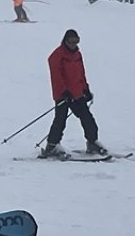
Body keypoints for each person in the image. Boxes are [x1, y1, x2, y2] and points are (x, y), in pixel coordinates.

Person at [42, 29, 103, 158]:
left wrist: (85, 89)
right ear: (65, 40)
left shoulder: (77, 55)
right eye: (71, 41)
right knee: (60, 120)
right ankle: (52, 146)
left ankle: (93, 142)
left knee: (87, 118)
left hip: (77, 93)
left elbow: (81, 73)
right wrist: (63, 91)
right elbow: (56, 76)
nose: (73, 44)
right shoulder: (57, 55)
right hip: (63, 95)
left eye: (76, 41)